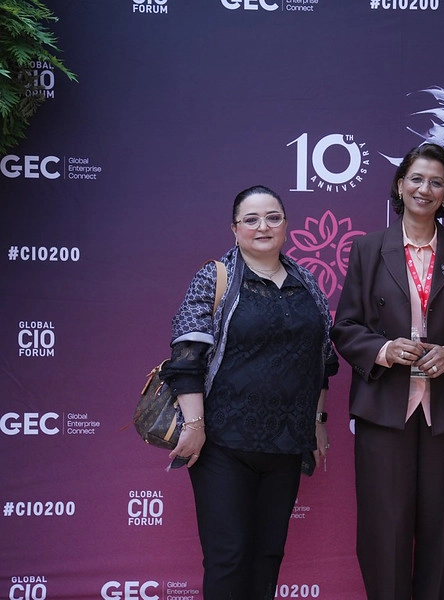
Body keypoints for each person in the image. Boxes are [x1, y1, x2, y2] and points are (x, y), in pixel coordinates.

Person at [331, 143, 444, 600]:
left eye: (436, 182)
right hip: (384, 409)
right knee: (382, 531)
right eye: (417, 179)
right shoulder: (368, 250)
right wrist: (384, 349)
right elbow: (345, 327)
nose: (425, 189)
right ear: (400, 184)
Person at [159, 185, 338, 600]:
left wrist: (317, 421)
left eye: (273, 217)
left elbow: (321, 363)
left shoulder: (307, 283)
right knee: (229, 556)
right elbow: (186, 358)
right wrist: (194, 425)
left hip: (286, 445)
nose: (263, 226)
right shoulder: (216, 277)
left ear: (286, 226)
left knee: (268, 555)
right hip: (222, 444)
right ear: (235, 229)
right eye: (251, 219)